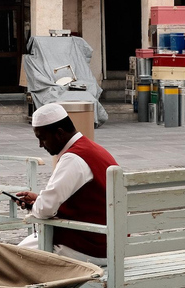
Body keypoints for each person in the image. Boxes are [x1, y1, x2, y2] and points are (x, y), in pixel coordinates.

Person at [12, 103, 118, 266]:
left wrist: (35, 205)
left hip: (91, 247)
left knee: (11, 259)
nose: (41, 145)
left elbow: (45, 209)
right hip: (111, 242)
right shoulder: (92, 149)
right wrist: (39, 199)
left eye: (42, 138)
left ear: (59, 134)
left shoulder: (73, 159)